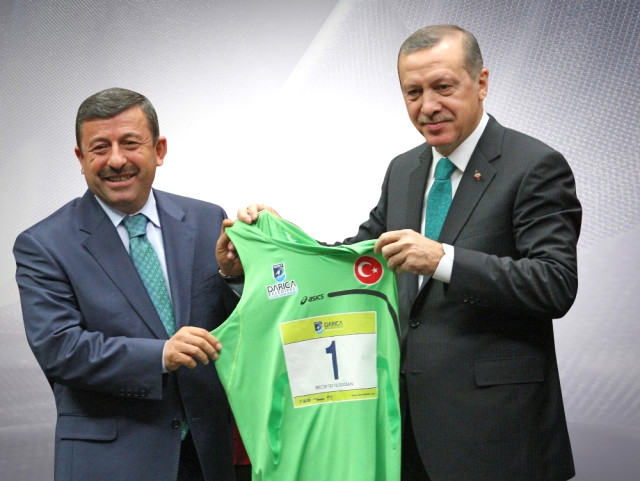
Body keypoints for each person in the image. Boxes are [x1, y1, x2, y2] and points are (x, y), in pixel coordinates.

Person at [219, 25, 581, 481]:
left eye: (443, 87)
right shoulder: (405, 169)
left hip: (501, 438)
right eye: (413, 92)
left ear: (481, 82)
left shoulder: (534, 165)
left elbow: (554, 283)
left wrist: (443, 260)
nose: (427, 106)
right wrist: (271, 250)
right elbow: (356, 262)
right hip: (405, 435)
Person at [14, 88, 238, 481]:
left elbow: (237, 329)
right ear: (81, 159)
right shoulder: (44, 244)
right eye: (100, 148)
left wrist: (233, 277)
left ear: (159, 149)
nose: (116, 160)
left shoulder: (207, 219)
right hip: (112, 464)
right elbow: (60, 349)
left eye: (130, 143)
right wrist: (160, 355)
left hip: (208, 458)